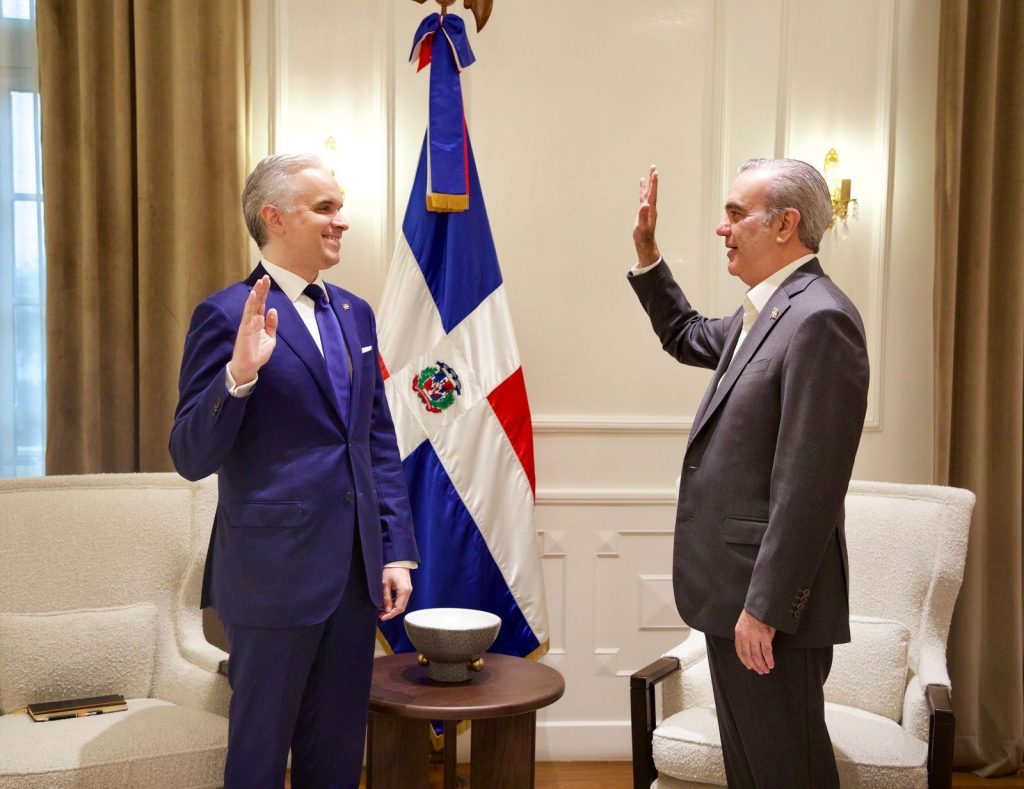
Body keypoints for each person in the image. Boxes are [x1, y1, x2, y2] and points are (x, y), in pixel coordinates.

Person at [170, 153, 420, 788]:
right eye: (325, 208)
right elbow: (190, 456)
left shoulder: (356, 314)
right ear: (274, 217)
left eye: (340, 207)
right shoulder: (226, 315)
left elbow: (375, 440)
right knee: (258, 757)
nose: (343, 221)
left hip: (354, 575)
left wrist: (394, 550)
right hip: (271, 576)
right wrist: (238, 376)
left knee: (336, 756)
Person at [629, 159, 869, 787]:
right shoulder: (765, 312)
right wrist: (649, 255)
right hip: (731, 597)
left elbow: (809, 487)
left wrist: (764, 609)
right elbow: (684, 334)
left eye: (736, 214)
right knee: (753, 775)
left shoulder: (820, 319)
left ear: (786, 224)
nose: (722, 228)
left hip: (767, 614)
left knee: (787, 774)